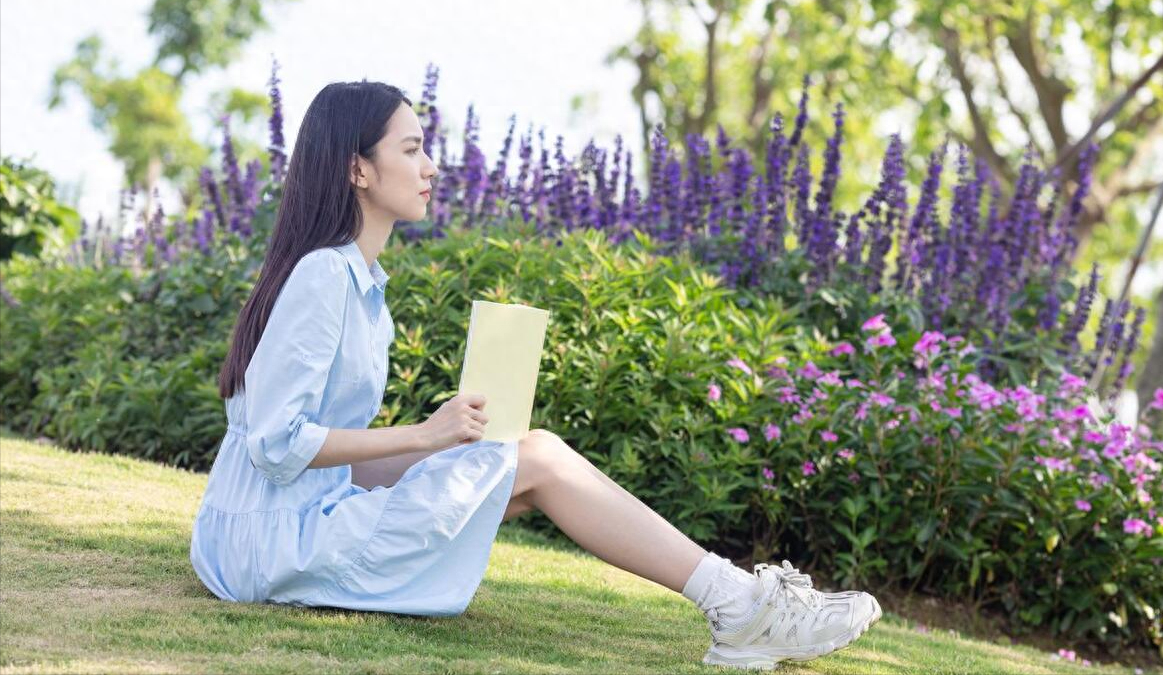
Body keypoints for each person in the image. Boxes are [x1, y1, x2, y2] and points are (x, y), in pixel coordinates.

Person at [188, 79, 882, 669]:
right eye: (410, 149)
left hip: (293, 518)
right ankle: (739, 607)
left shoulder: (363, 284)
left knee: (509, 460)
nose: (431, 166)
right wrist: (425, 437)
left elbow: (324, 462)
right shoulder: (322, 276)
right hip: (265, 539)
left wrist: (451, 448)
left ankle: (742, 603)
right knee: (537, 455)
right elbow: (278, 446)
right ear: (357, 169)